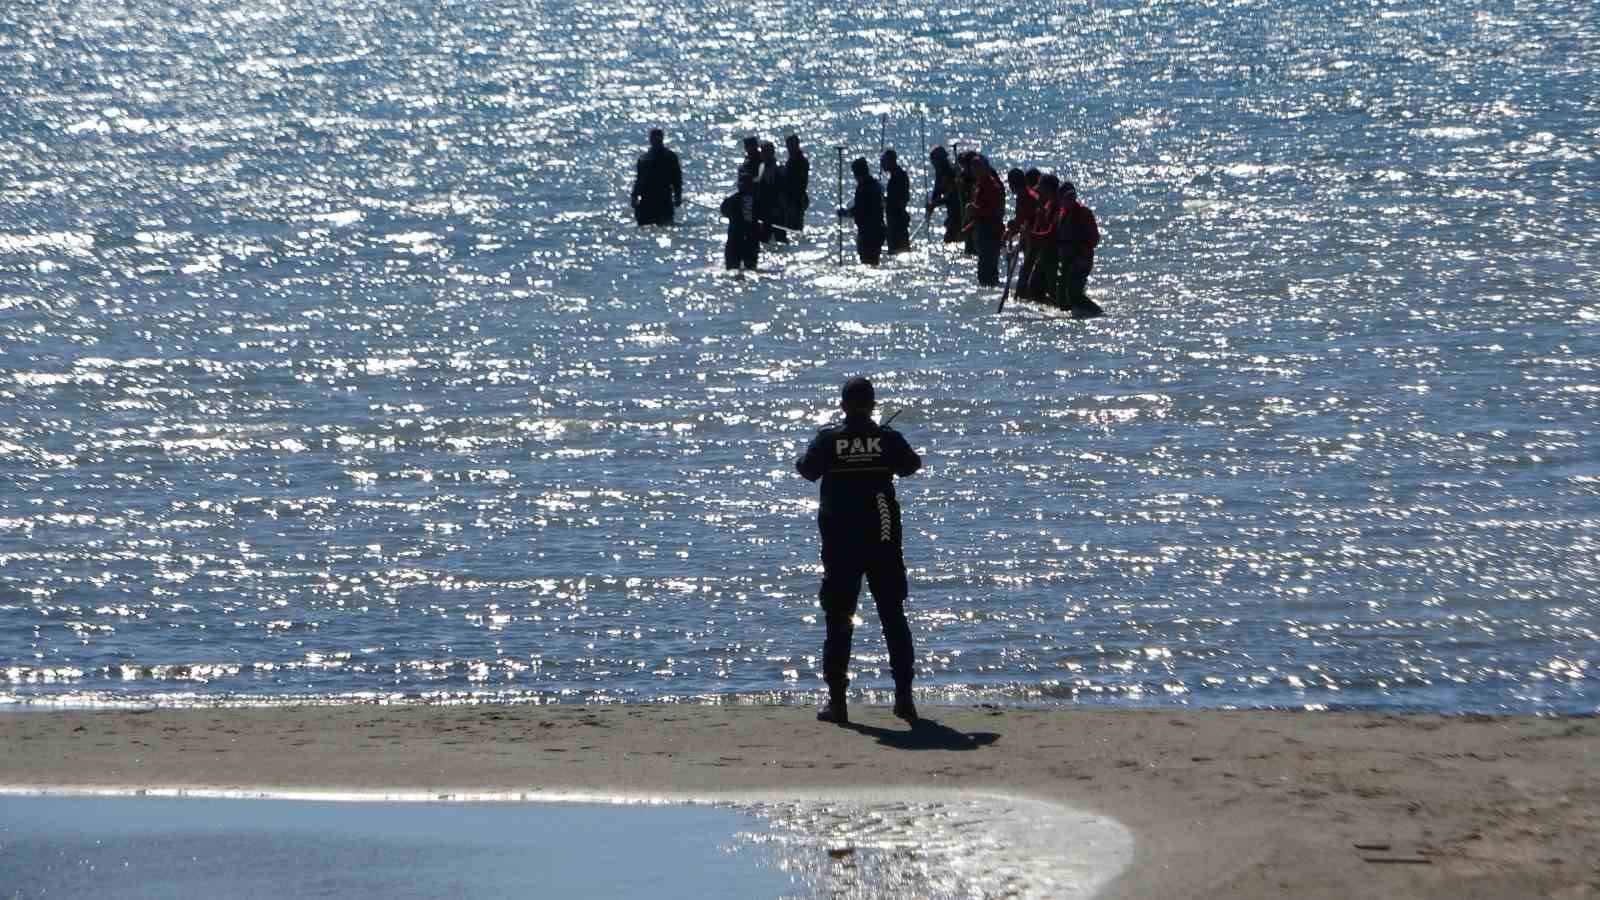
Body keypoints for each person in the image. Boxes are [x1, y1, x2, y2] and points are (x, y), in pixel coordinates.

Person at [795, 377, 923, 726]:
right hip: (882, 541)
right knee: (893, 617)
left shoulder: (829, 439)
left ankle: (838, 703)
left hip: (841, 543)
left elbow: (806, 470)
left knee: (838, 619)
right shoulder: (887, 439)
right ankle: (904, 701)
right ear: (873, 404)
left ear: (843, 406)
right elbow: (912, 466)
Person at [1054, 182, 1103, 318]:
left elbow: (1094, 238)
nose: (1070, 199)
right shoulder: (1062, 214)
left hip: (1081, 260)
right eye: (1067, 197)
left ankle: (1098, 313)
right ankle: (1070, 320)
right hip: (1066, 260)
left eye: (1072, 196)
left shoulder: (1084, 213)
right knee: (1063, 295)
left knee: (1074, 294)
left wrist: (1079, 252)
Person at [963, 154, 1005, 285]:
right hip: (981, 231)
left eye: (977, 168)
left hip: (990, 232)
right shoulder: (979, 185)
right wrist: (968, 227)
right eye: (973, 168)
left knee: (988, 268)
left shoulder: (992, 186)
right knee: (983, 268)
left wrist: (975, 209)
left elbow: (994, 211)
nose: (974, 171)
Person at [836, 157, 886, 265]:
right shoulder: (875, 184)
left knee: (867, 260)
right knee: (873, 259)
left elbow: (861, 209)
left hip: (868, 232)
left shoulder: (864, 187)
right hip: (878, 229)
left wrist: (845, 213)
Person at [630, 129, 682, 226]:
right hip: (647, 201)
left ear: (662, 139)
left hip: (664, 199)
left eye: (657, 138)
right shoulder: (644, 159)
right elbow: (639, 181)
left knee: (664, 224)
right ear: (651, 140)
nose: (655, 141)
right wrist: (634, 196)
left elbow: (677, 179)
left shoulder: (670, 157)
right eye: (654, 138)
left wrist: (678, 196)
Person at [1026, 174, 1062, 304]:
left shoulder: (1059, 208)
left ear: (1049, 189)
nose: (1039, 192)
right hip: (1044, 253)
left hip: (1055, 255)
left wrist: (1030, 235)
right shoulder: (1047, 205)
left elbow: (1051, 234)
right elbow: (1042, 227)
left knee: (1053, 289)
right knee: (1034, 288)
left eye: (1042, 189)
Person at [719, 170, 760, 272]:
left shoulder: (731, 200)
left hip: (736, 238)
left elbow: (723, 210)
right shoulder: (757, 200)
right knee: (750, 268)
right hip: (750, 238)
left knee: (732, 268)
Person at [925, 145, 963, 244]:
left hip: (958, 212)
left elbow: (950, 195)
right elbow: (937, 191)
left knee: (951, 239)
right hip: (951, 213)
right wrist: (931, 207)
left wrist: (934, 204)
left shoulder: (951, 172)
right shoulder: (940, 172)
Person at [881, 149, 911, 254]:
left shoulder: (898, 176)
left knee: (898, 249)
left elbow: (897, 200)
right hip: (895, 219)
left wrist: (883, 199)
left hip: (897, 219)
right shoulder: (897, 175)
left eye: (884, 161)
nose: (882, 164)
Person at [755, 141, 785, 243]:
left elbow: (778, 190)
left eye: (765, 152)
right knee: (764, 238)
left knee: (779, 236)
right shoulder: (762, 167)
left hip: (774, 210)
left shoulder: (777, 169)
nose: (762, 154)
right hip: (764, 210)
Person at [782, 134, 810, 234]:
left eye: (791, 145)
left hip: (796, 200)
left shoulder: (800, 161)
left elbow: (800, 184)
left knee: (794, 227)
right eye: (788, 146)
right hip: (792, 200)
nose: (789, 148)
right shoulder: (792, 160)